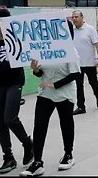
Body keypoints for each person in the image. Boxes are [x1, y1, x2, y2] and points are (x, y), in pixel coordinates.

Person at [20, 20, 80, 176]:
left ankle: (68, 154)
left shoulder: (70, 50)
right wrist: (35, 70)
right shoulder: (44, 48)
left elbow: (75, 74)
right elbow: (40, 73)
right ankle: (37, 162)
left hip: (64, 94)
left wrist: (55, 85)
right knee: (39, 126)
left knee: (66, 124)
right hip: (45, 94)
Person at [0, 8, 34, 174]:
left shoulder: (17, 41)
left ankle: (28, 144)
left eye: (5, 21)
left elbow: (14, 67)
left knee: (9, 118)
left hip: (14, 82)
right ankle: (8, 157)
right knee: (0, 122)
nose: (2, 24)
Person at [71, 10, 98, 115]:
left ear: (82, 17)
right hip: (77, 64)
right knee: (78, 85)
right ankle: (81, 106)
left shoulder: (90, 29)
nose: (74, 19)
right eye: (73, 17)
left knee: (93, 82)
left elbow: (97, 45)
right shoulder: (72, 31)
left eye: (76, 17)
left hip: (89, 62)